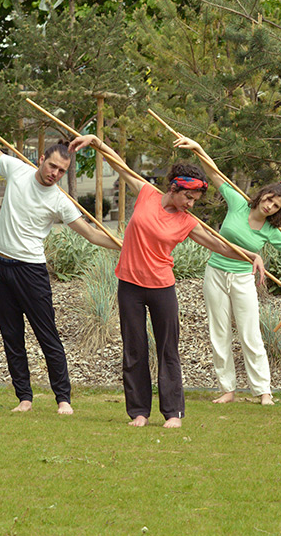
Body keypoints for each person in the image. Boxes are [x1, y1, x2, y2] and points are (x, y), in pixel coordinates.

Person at [70, 133, 262, 428]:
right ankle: (139, 412)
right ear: (174, 188)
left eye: (195, 200)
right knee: (134, 349)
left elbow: (218, 243)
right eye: (189, 197)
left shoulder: (188, 222)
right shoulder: (146, 193)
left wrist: (251, 256)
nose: (191, 204)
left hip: (162, 287)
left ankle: (173, 412)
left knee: (167, 350)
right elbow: (118, 164)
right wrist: (97, 142)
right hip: (130, 285)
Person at [0, 97, 122, 415]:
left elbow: (91, 233)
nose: (55, 173)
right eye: (52, 165)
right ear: (41, 159)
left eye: (62, 170)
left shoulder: (60, 201)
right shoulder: (17, 170)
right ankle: (24, 398)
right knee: (11, 335)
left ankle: (63, 399)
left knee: (47, 335)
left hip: (31, 271)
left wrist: (124, 245)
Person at [173, 136, 281, 406]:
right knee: (219, 333)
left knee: (250, 334)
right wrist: (198, 148)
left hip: (242, 279)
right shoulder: (238, 203)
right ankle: (227, 389)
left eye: (275, 206)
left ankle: (263, 391)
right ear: (263, 194)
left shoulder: (271, 231)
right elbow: (215, 174)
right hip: (215, 272)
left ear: (278, 211)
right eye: (269, 199)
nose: (269, 206)